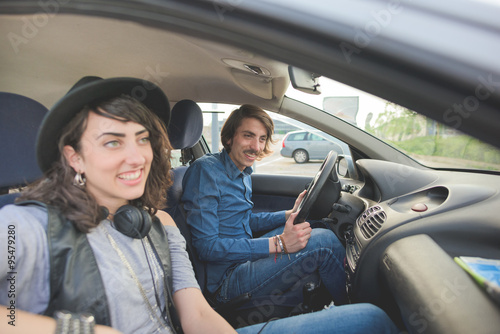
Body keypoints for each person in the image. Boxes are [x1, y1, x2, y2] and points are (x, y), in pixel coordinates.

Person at [0, 79, 398, 334]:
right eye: (111, 141)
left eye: (142, 139)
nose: (136, 156)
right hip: (226, 278)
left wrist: (284, 217)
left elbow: (199, 316)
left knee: (371, 322)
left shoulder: (157, 224)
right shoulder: (24, 227)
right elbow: (11, 316)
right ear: (74, 158)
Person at [181, 104, 347, 308]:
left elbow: (244, 220)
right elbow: (207, 247)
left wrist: (288, 214)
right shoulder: (205, 172)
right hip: (226, 281)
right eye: (248, 136)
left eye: (261, 139)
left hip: (243, 259)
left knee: (318, 225)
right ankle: (354, 312)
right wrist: (279, 244)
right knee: (325, 242)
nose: (256, 147)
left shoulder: (242, 171)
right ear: (229, 138)